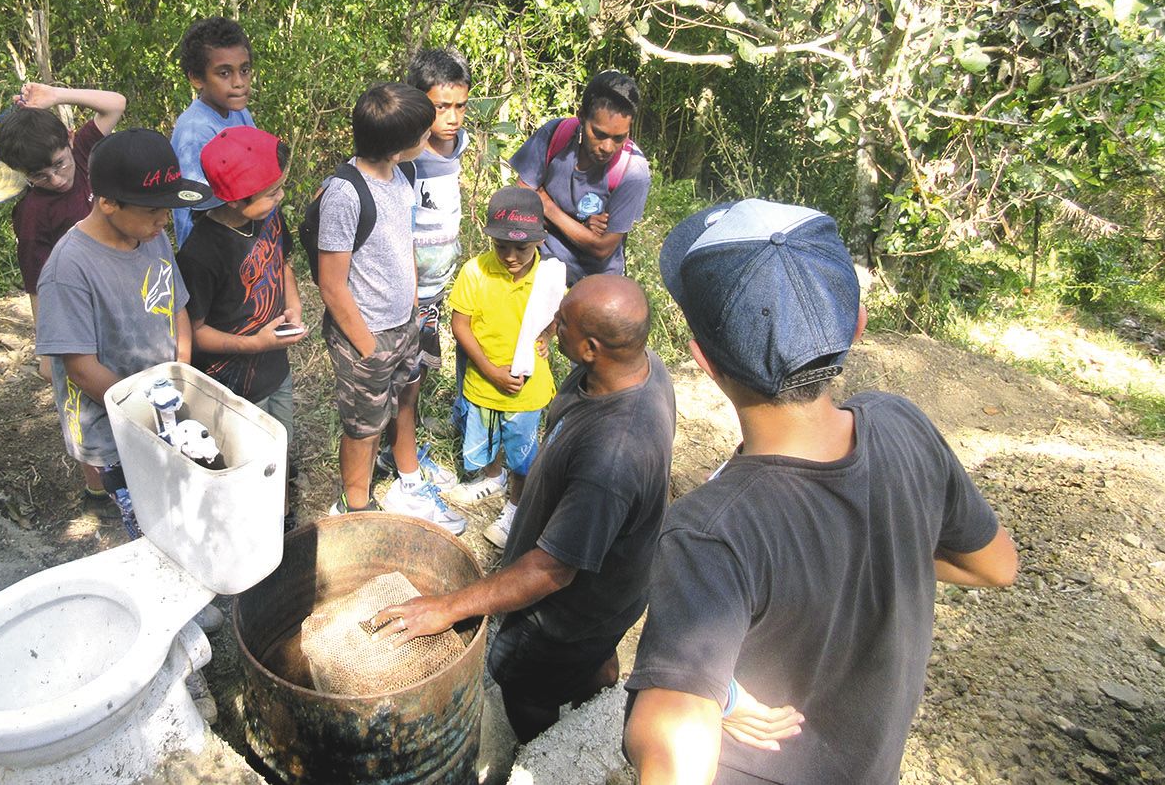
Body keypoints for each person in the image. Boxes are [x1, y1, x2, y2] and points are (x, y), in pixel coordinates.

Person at [624, 199, 1018, 785]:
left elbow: (673, 742)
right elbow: (997, 565)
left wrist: (709, 703)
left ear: (703, 360)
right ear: (855, 326)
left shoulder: (711, 532)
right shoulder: (900, 423)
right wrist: (882, 551)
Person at [373, 275, 676, 743]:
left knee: (525, 689)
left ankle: (542, 754)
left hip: (565, 615)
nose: (552, 326)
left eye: (563, 323)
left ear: (593, 347)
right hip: (620, 587)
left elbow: (551, 572)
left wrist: (448, 607)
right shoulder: (640, 368)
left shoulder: (612, 456)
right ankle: (594, 694)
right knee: (594, 657)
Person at [34, 128, 208, 539]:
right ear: (108, 202)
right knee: (149, 523)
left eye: (166, 211)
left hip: (164, 409)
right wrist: (149, 412)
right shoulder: (69, 271)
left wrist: (180, 373)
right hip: (114, 426)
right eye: (153, 212)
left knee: (180, 505)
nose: (164, 221)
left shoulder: (150, 237)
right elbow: (81, 369)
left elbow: (176, 306)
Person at [319, 82, 465, 534]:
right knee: (362, 426)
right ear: (401, 144)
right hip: (368, 333)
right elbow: (331, 283)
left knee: (402, 399)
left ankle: (402, 478)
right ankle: (355, 505)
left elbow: (403, 246)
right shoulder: (345, 193)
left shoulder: (398, 177)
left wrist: (416, 307)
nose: (429, 137)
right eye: (423, 132)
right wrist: (365, 346)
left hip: (404, 321)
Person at [0, 80, 126, 499]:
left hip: (117, 292)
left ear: (69, 143)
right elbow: (37, 284)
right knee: (84, 402)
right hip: (75, 309)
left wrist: (56, 96)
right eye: (40, 175)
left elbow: (115, 104)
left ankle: (130, 465)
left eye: (58, 163)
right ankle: (98, 491)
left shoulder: (86, 153)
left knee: (119, 380)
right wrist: (47, 347)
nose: (55, 177)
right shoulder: (32, 214)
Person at [176, 126, 305, 522]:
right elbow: (195, 332)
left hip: (274, 368)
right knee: (246, 461)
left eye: (280, 188)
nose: (280, 197)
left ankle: (281, 519)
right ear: (232, 201)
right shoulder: (200, 253)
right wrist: (256, 344)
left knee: (280, 442)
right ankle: (255, 523)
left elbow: (282, 263)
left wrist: (294, 306)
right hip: (233, 385)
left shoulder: (268, 216)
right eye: (271, 193)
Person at [376, 48, 471, 488]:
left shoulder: (458, 145)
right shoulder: (406, 158)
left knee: (421, 366)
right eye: (440, 107)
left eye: (460, 106)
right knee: (403, 374)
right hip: (407, 288)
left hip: (435, 286)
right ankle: (396, 456)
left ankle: (403, 443)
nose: (452, 118)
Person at [444, 186, 557, 550]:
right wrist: (490, 370)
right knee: (485, 440)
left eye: (521, 248)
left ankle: (515, 508)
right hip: (482, 383)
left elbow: (558, 316)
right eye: (501, 247)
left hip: (528, 390)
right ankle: (492, 477)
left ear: (538, 242)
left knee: (523, 451)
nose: (510, 257)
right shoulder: (475, 272)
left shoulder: (549, 278)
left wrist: (548, 337)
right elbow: (460, 324)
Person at [509, 70, 651, 286]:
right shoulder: (556, 135)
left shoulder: (633, 172)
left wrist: (547, 205)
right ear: (581, 116)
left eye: (619, 138)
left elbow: (602, 248)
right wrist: (582, 226)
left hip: (595, 285)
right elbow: (521, 199)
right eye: (599, 134)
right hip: (540, 269)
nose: (607, 147)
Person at [170, 16, 256, 246]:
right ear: (197, 78)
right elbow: (200, 200)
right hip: (208, 250)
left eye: (245, 70)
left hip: (240, 240)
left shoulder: (239, 113)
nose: (239, 82)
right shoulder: (194, 131)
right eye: (224, 73)